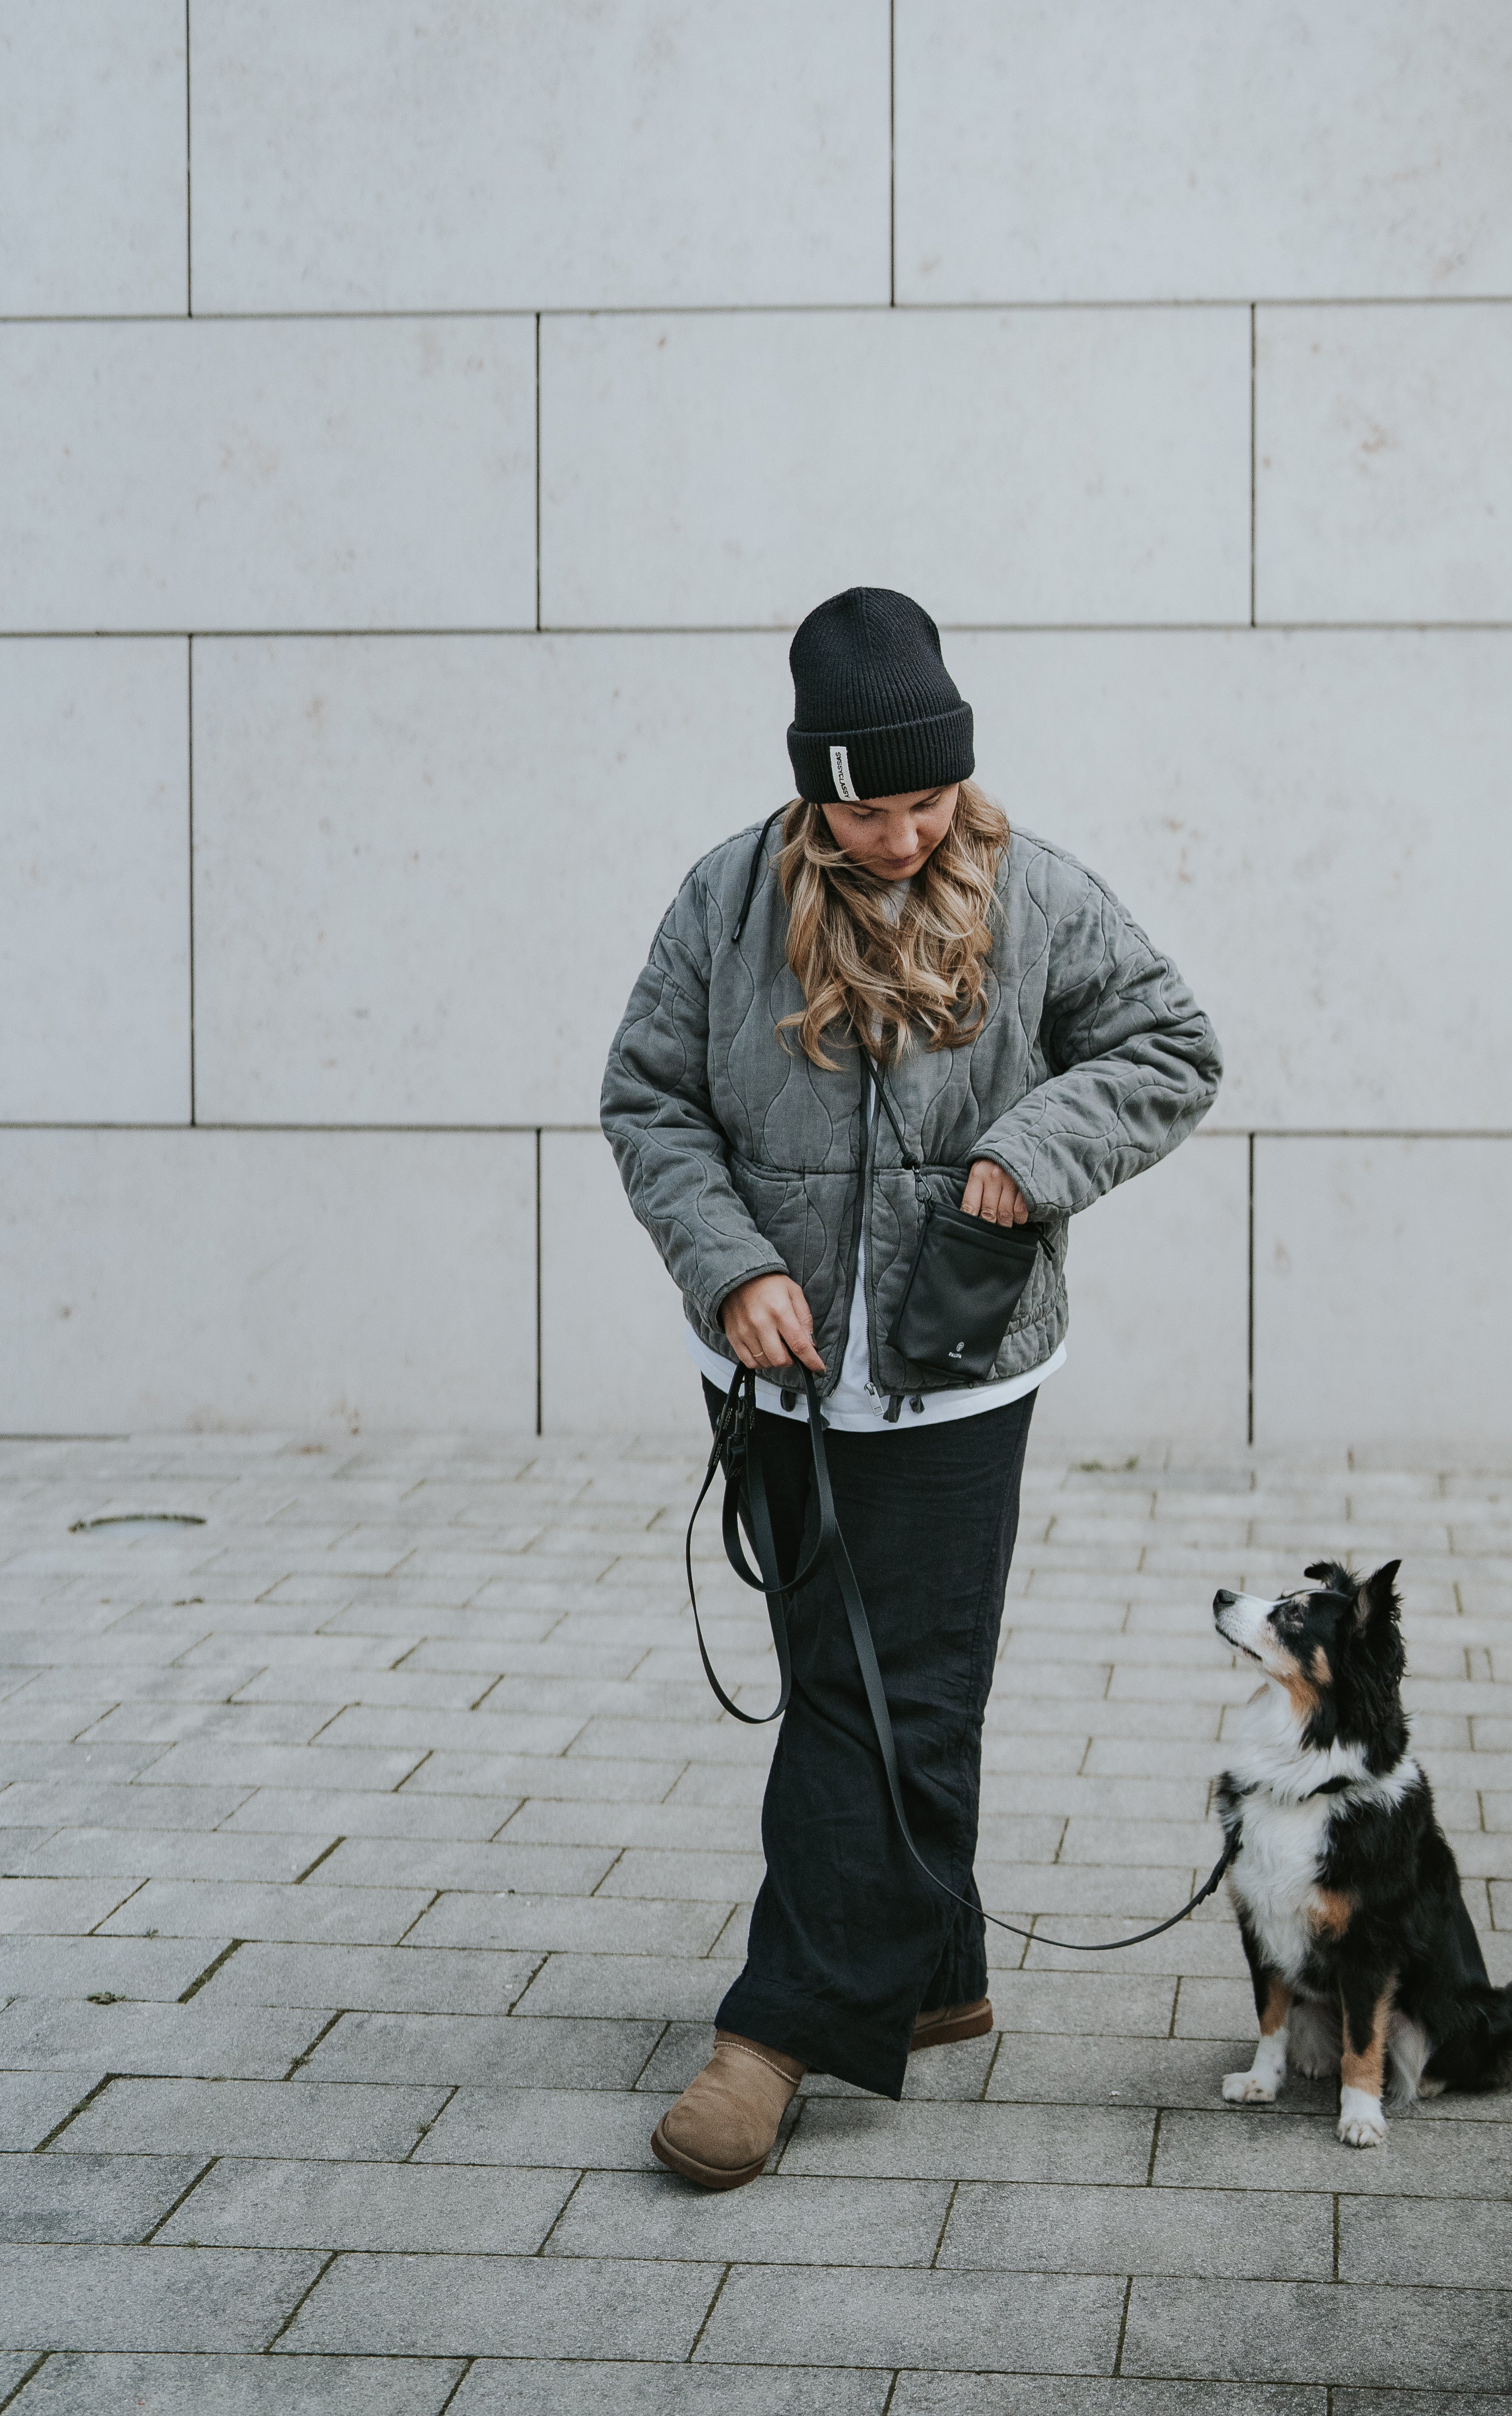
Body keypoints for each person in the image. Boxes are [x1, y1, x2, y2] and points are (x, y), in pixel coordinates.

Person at [601, 586, 1221, 2188]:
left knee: (902, 1693)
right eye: (865, 806)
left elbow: (1169, 1049)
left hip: (962, 1375)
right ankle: (936, 1980)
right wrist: (731, 1268)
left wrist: (1027, 1155)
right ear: (814, 784)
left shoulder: (1038, 894)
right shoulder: (724, 903)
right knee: (843, 1675)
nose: (896, 837)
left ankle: (776, 2033)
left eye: (925, 801)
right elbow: (649, 1099)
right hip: (777, 1369)